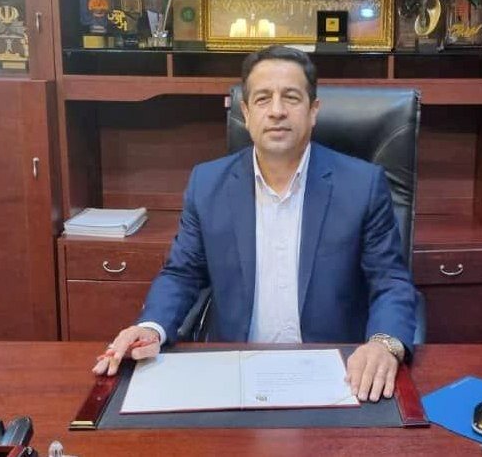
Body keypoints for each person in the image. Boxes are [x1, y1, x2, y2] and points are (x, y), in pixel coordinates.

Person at [93, 45, 417, 403]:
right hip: (234, 371)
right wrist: (151, 327)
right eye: (263, 99)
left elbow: (390, 281)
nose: (277, 111)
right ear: (246, 113)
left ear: (313, 111)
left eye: (291, 97)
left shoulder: (362, 185)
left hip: (337, 373)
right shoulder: (208, 185)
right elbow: (182, 274)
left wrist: (384, 344)